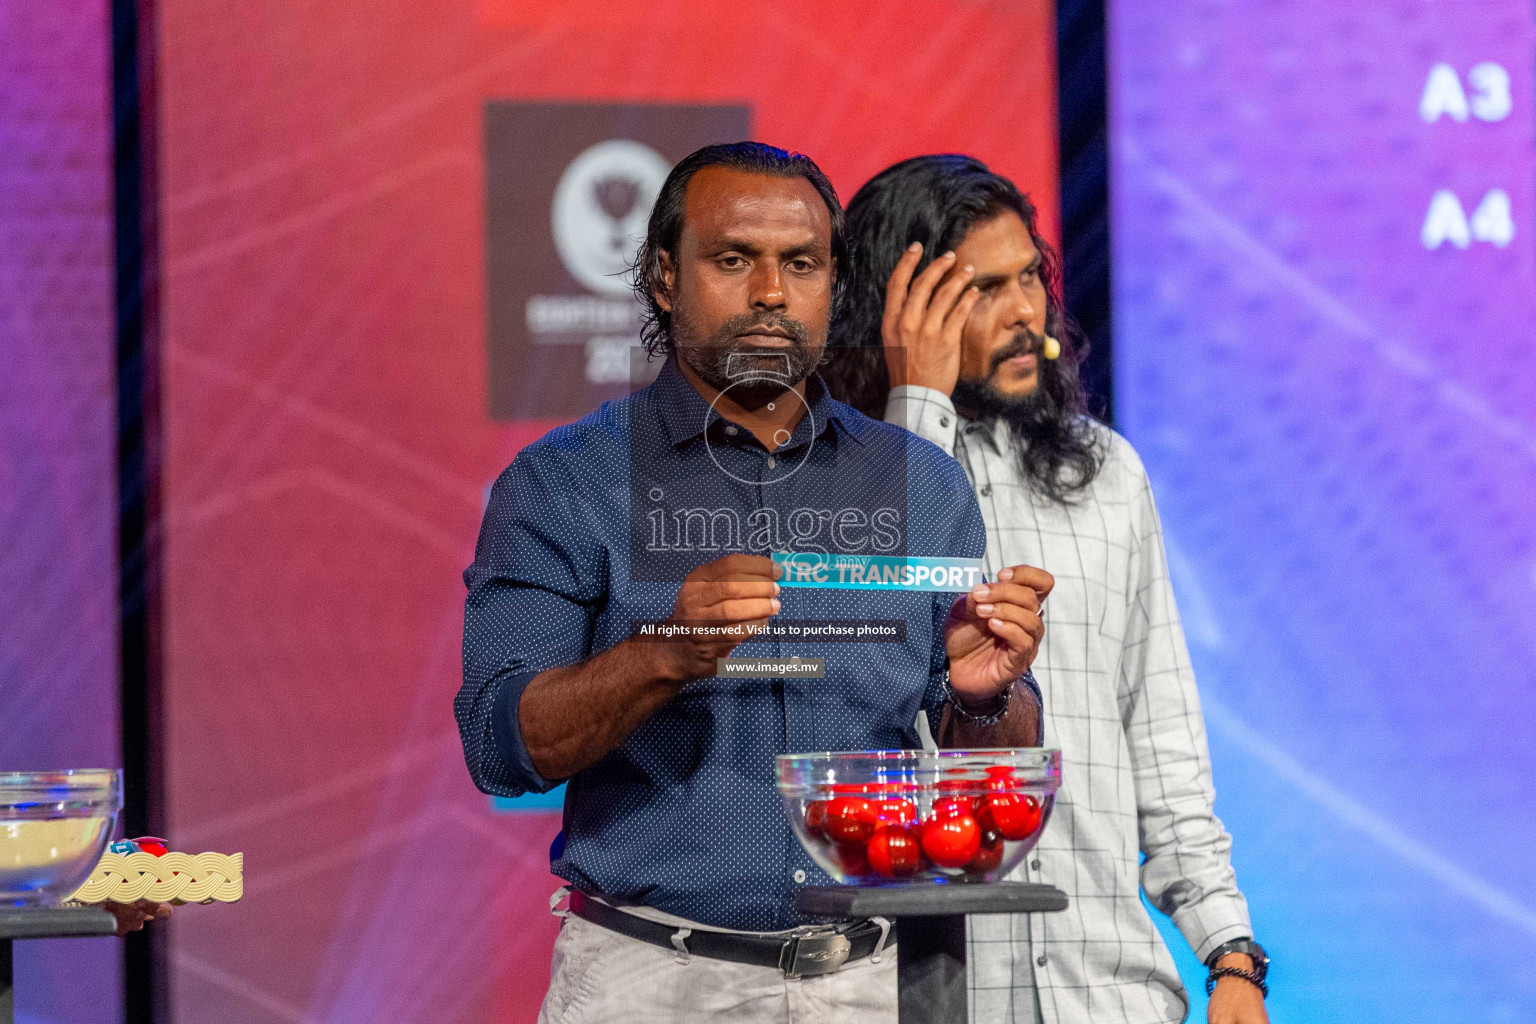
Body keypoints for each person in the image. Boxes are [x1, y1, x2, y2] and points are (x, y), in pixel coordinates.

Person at [456, 142, 1051, 1024]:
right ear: (665, 276)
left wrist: (982, 701)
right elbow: (500, 745)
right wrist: (664, 653)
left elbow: (990, 762)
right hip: (649, 978)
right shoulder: (565, 483)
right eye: (733, 259)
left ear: (834, 283)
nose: (771, 292)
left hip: (870, 984)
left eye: (801, 264)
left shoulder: (918, 482)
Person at [819, 155, 1269, 1024]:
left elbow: (1163, 747)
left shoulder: (1106, 474)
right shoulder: (835, 485)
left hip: (1112, 993)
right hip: (924, 996)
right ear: (899, 312)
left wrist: (1230, 956)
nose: (1027, 311)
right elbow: (871, 675)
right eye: (982, 290)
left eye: (1030, 275)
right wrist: (919, 402)